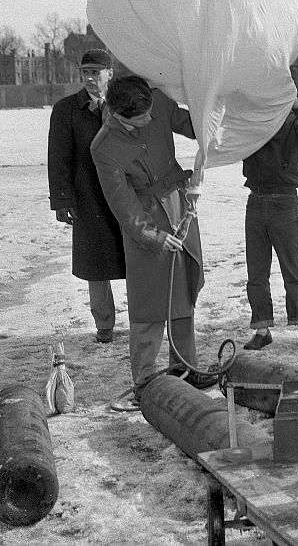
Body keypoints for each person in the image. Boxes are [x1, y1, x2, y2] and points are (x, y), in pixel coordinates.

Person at [90, 76, 213, 406]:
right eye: (141, 117)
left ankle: (186, 368)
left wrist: (211, 117)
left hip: (178, 203)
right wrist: (153, 237)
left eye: (150, 111)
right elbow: (123, 205)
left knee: (183, 289)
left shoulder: (155, 100)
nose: (149, 118)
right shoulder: (103, 147)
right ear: (119, 114)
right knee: (148, 301)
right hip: (145, 219)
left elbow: (189, 124)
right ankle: (144, 380)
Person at [47, 49, 125, 344]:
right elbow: (58, 159)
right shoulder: (66, 110)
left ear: (110, 74)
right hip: (88, 199)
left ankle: (144, 321)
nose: (90, 78)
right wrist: (62, 200)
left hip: (125, 197)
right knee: (96, 264)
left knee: (136, 259)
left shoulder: (123, 106)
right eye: (85, 73)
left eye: (96, 72)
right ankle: (104, 325)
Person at [241, 96, 298, 351]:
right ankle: (262, 330)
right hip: (255, 202)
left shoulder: (296, 123)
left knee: (293, 270)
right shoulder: (252, 121)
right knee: (256, 272)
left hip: (285, 203)